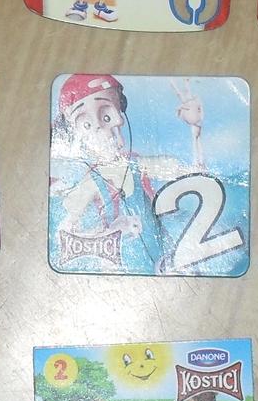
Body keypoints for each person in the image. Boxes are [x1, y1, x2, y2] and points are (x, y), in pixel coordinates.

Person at [49, 74, 204, 274]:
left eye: (106, 116)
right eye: (86, 124)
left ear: (120, 115)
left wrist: (195, 132)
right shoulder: (91, 182)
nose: (99, 128)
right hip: (119, 271)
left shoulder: (139, 165)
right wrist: (110, 231)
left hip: (161, 263)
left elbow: (196, 175)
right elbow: (64, 234)